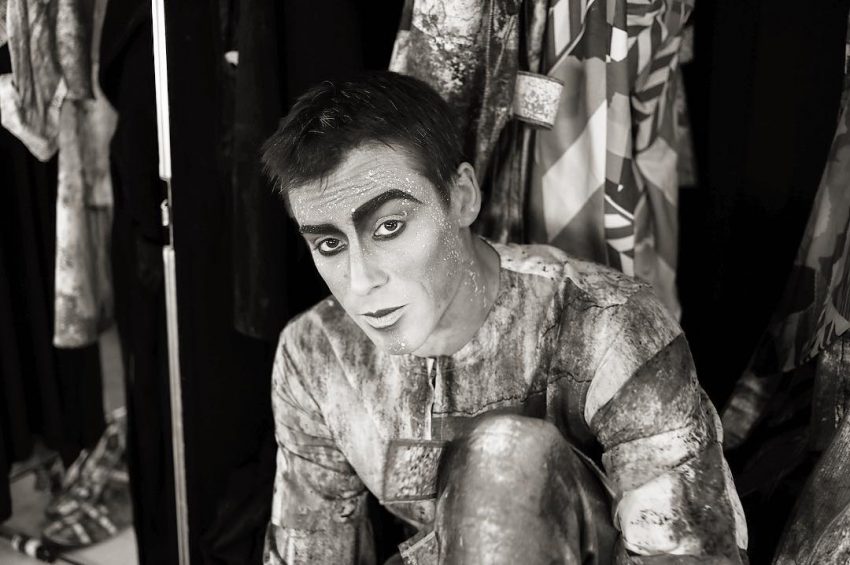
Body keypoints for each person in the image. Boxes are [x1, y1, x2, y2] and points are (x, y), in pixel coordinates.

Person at [260, 71, 747, 564]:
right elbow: (311, 549)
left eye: (389, 226)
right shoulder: (316, 353)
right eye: (329, 244)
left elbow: (693, 552)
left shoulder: (610, 322)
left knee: (503, 456)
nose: (361, 280)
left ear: (462, 197)